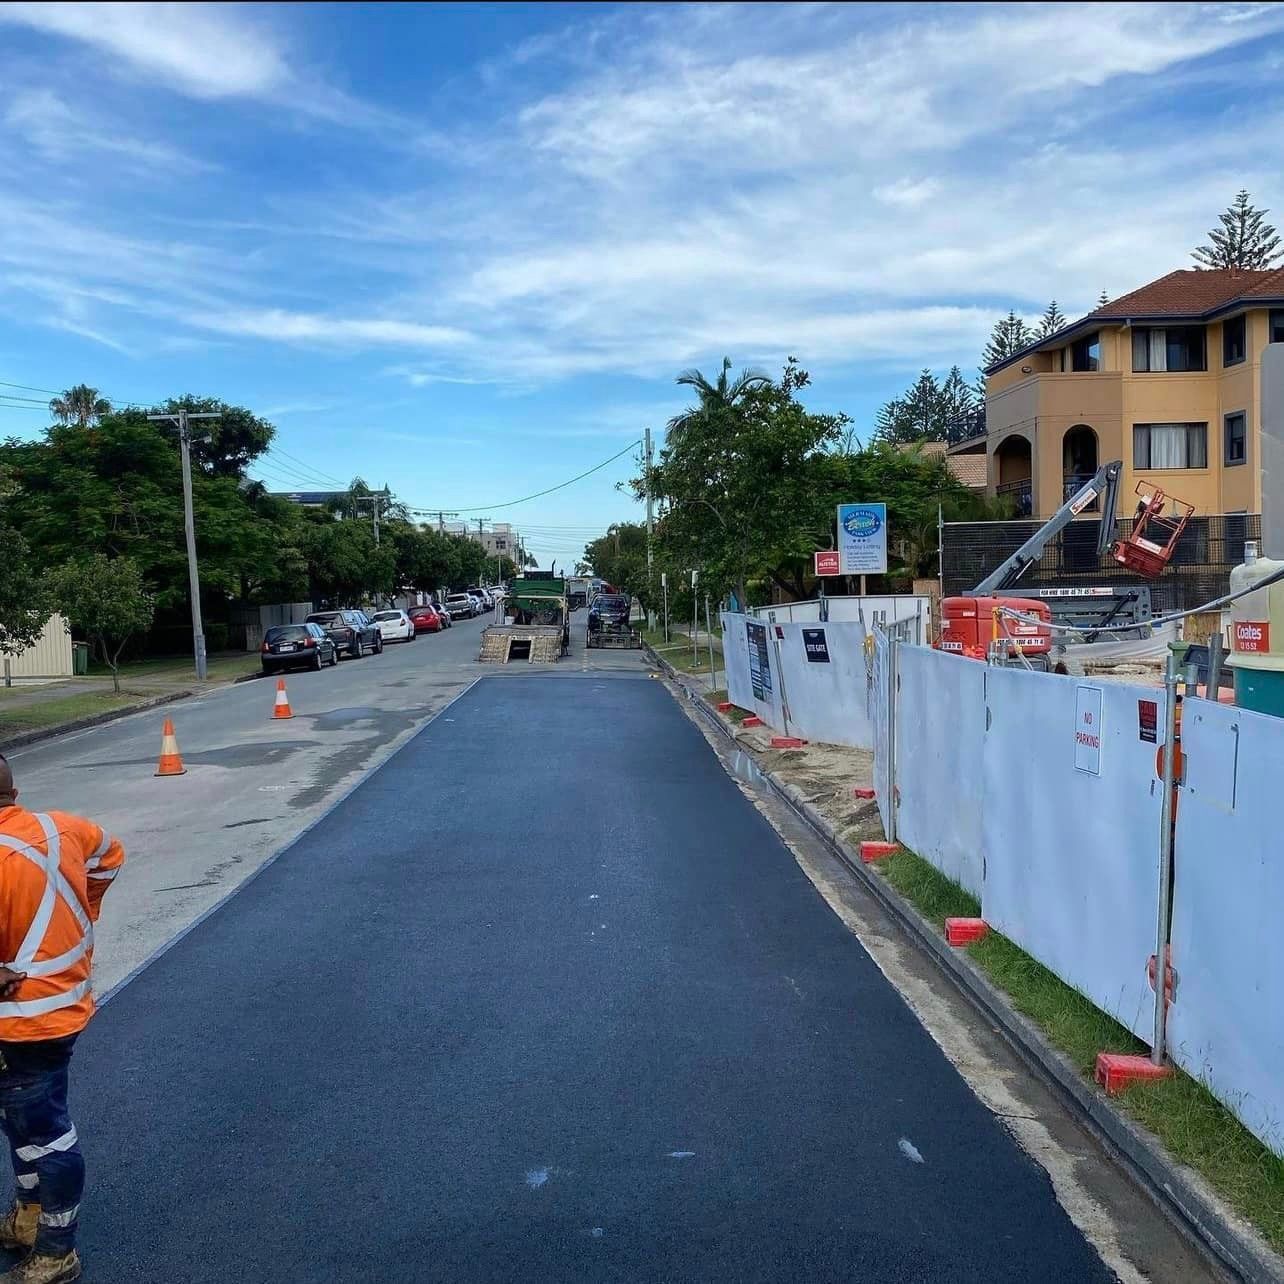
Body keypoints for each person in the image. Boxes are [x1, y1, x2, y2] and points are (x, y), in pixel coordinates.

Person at [0, 754, 124, 1284]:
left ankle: (56, 1249)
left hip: (22, 1022)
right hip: (62, 1007)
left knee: (46, 1132)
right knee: (21, 1121)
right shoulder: (60, 828)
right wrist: (81, 916)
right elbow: (110, 857)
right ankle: (29, 1218)